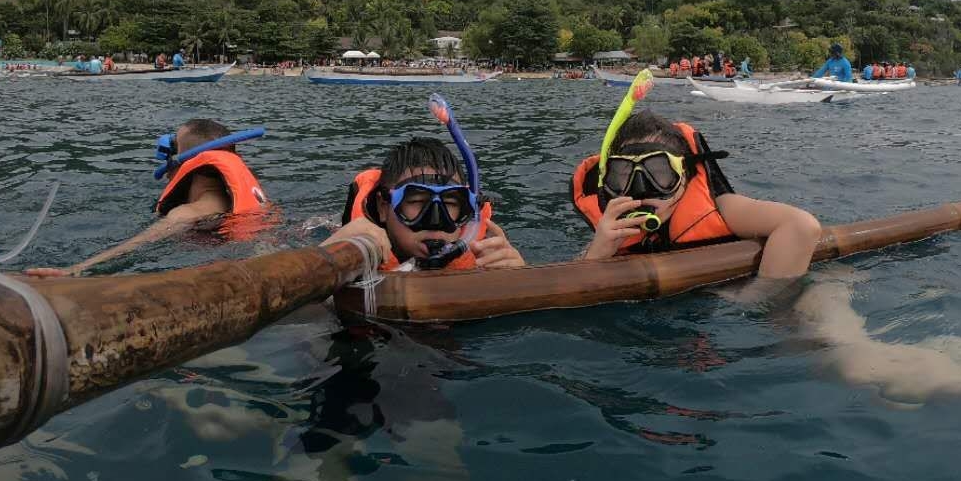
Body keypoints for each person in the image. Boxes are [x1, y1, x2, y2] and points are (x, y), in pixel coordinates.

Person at [572, 75, 820, 279]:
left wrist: (758, 299)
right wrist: (596, 254)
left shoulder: (722, 208)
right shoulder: (609, 230)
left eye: (659, 172)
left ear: (685, 175)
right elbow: (568, 282)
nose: (642, 189)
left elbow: (800, 226)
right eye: (624, 175)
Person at [25, 119, 269, 277]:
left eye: (173, 148)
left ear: (186, 163)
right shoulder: (256, 203)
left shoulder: (187, 214)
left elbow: (136, 246)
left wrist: (76, 269)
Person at [324, 95, 523, 272]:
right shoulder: (349, 254)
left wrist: (519, 280)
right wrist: (325, 258)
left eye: (451, 203)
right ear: (383, 207)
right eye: (417, 200)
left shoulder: (483, 263)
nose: (436, 221)